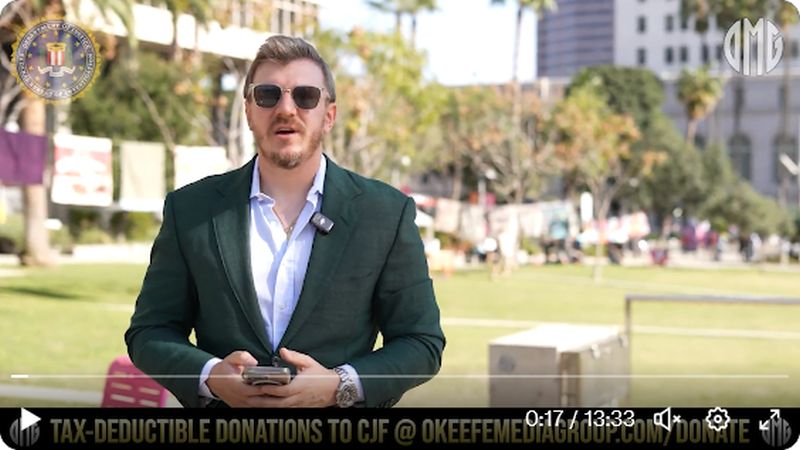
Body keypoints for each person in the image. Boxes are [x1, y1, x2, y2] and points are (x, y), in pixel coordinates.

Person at [125, 35, 445, 408]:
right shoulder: (191, 210)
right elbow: (150, 332)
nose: (287, 109)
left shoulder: (385, 213)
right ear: (249, 111)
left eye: (306, 96)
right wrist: (210, 376)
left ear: (329, 115)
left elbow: (421, 342)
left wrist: (339, 385)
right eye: (268, 95)